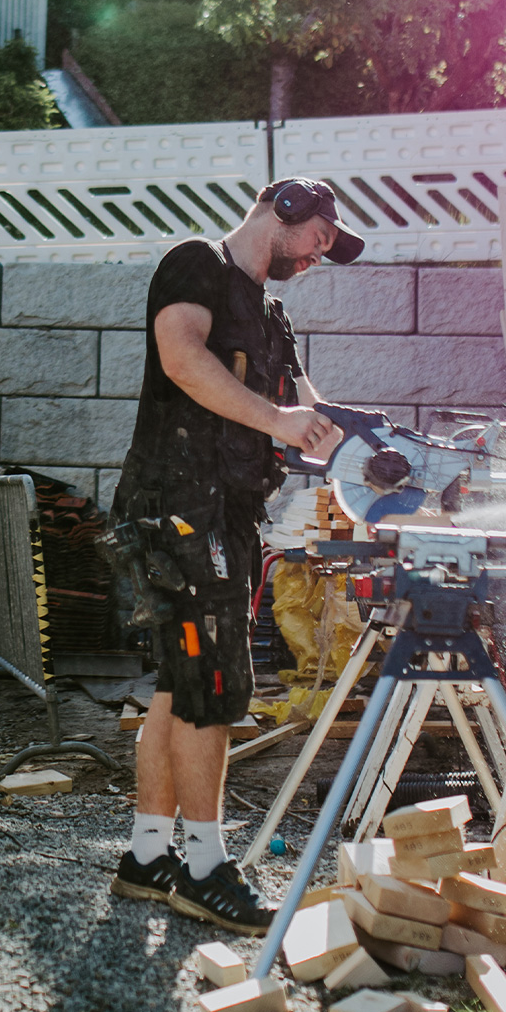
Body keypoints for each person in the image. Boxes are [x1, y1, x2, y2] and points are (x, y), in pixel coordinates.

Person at [108, 179, 365, 935]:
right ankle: (205, 869)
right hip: (181, 509)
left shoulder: (272, 314)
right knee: (216, 684)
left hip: (228, 514)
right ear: (284, 208)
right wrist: (278, 420)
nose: (322, 252)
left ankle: (148, 855)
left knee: (180, 686)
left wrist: (389, 452)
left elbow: (310, 417)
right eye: (321, 233)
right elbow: (183, 359)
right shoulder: (197, 265)